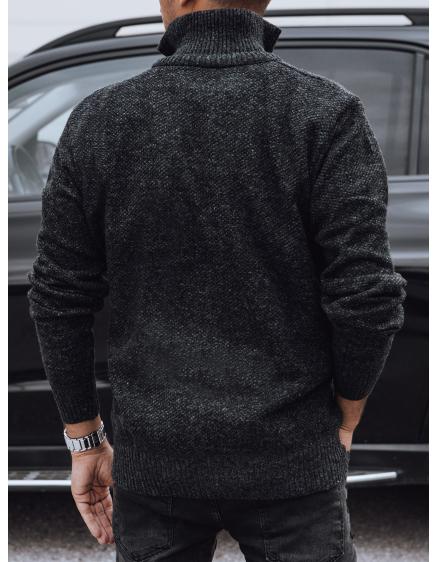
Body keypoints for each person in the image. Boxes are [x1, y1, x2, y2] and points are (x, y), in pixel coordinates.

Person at [27, 0, 408, 560]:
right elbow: (367, 297)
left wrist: (86, 441)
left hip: (155, 462)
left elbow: (59, 298)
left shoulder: (99, 120)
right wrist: (346, 416)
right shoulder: (326, 113)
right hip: (292, 457)